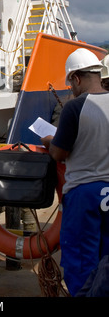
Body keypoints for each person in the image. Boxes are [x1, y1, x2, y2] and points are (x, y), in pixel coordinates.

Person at [41, 48, 109, 296]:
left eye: (70, 82)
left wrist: (50, 140)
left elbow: (59, 153)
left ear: (76, 78)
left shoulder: (75, 108)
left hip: (84, 193)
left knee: (81, 263)